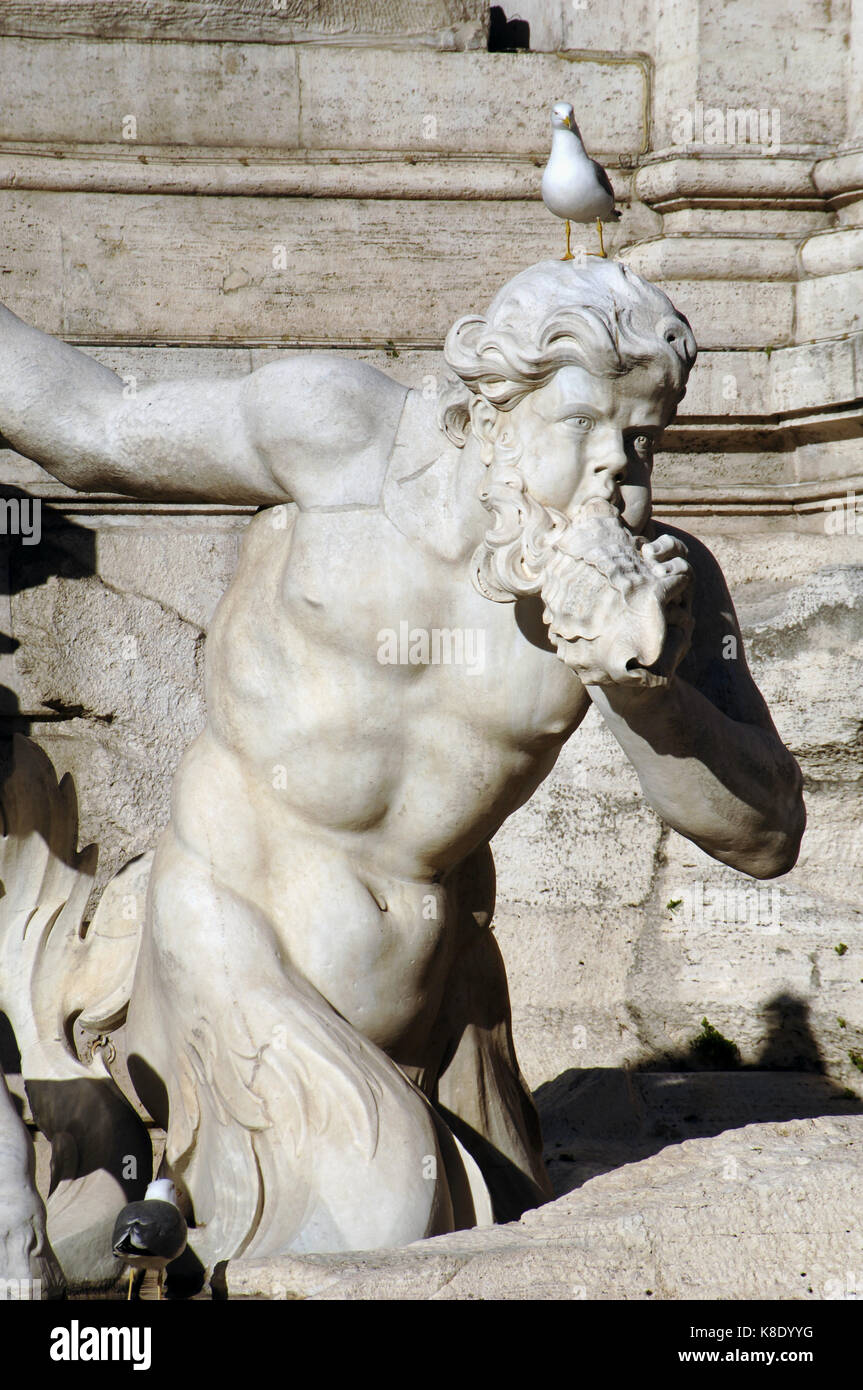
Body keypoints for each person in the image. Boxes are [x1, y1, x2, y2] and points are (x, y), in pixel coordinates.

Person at [0, 258, 805, 1261]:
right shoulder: (337, 437)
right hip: (225, 940)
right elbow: (94, 427)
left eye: (641, 440)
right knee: (379, 1228)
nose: (616, 471)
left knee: (515, 1257)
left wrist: (641, 686)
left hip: (440, 1010)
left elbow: (766, 833)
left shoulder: (664, 593)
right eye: (582, 425)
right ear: (492, 407)